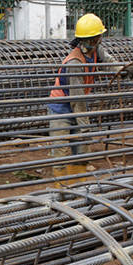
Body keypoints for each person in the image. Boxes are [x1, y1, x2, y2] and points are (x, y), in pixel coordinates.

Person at [47, 13, 119, 183]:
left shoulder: (95, 50)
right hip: (61, 106)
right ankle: (62, 185)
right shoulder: (75, 64)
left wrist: (122, 70)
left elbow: (109, 61)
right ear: (90, 39)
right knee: (61, 145)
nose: (100, 39)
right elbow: (77, 100)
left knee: (82, 146)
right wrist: (84, 125)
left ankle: (78, 181)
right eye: (98, 37)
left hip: (77, 100)